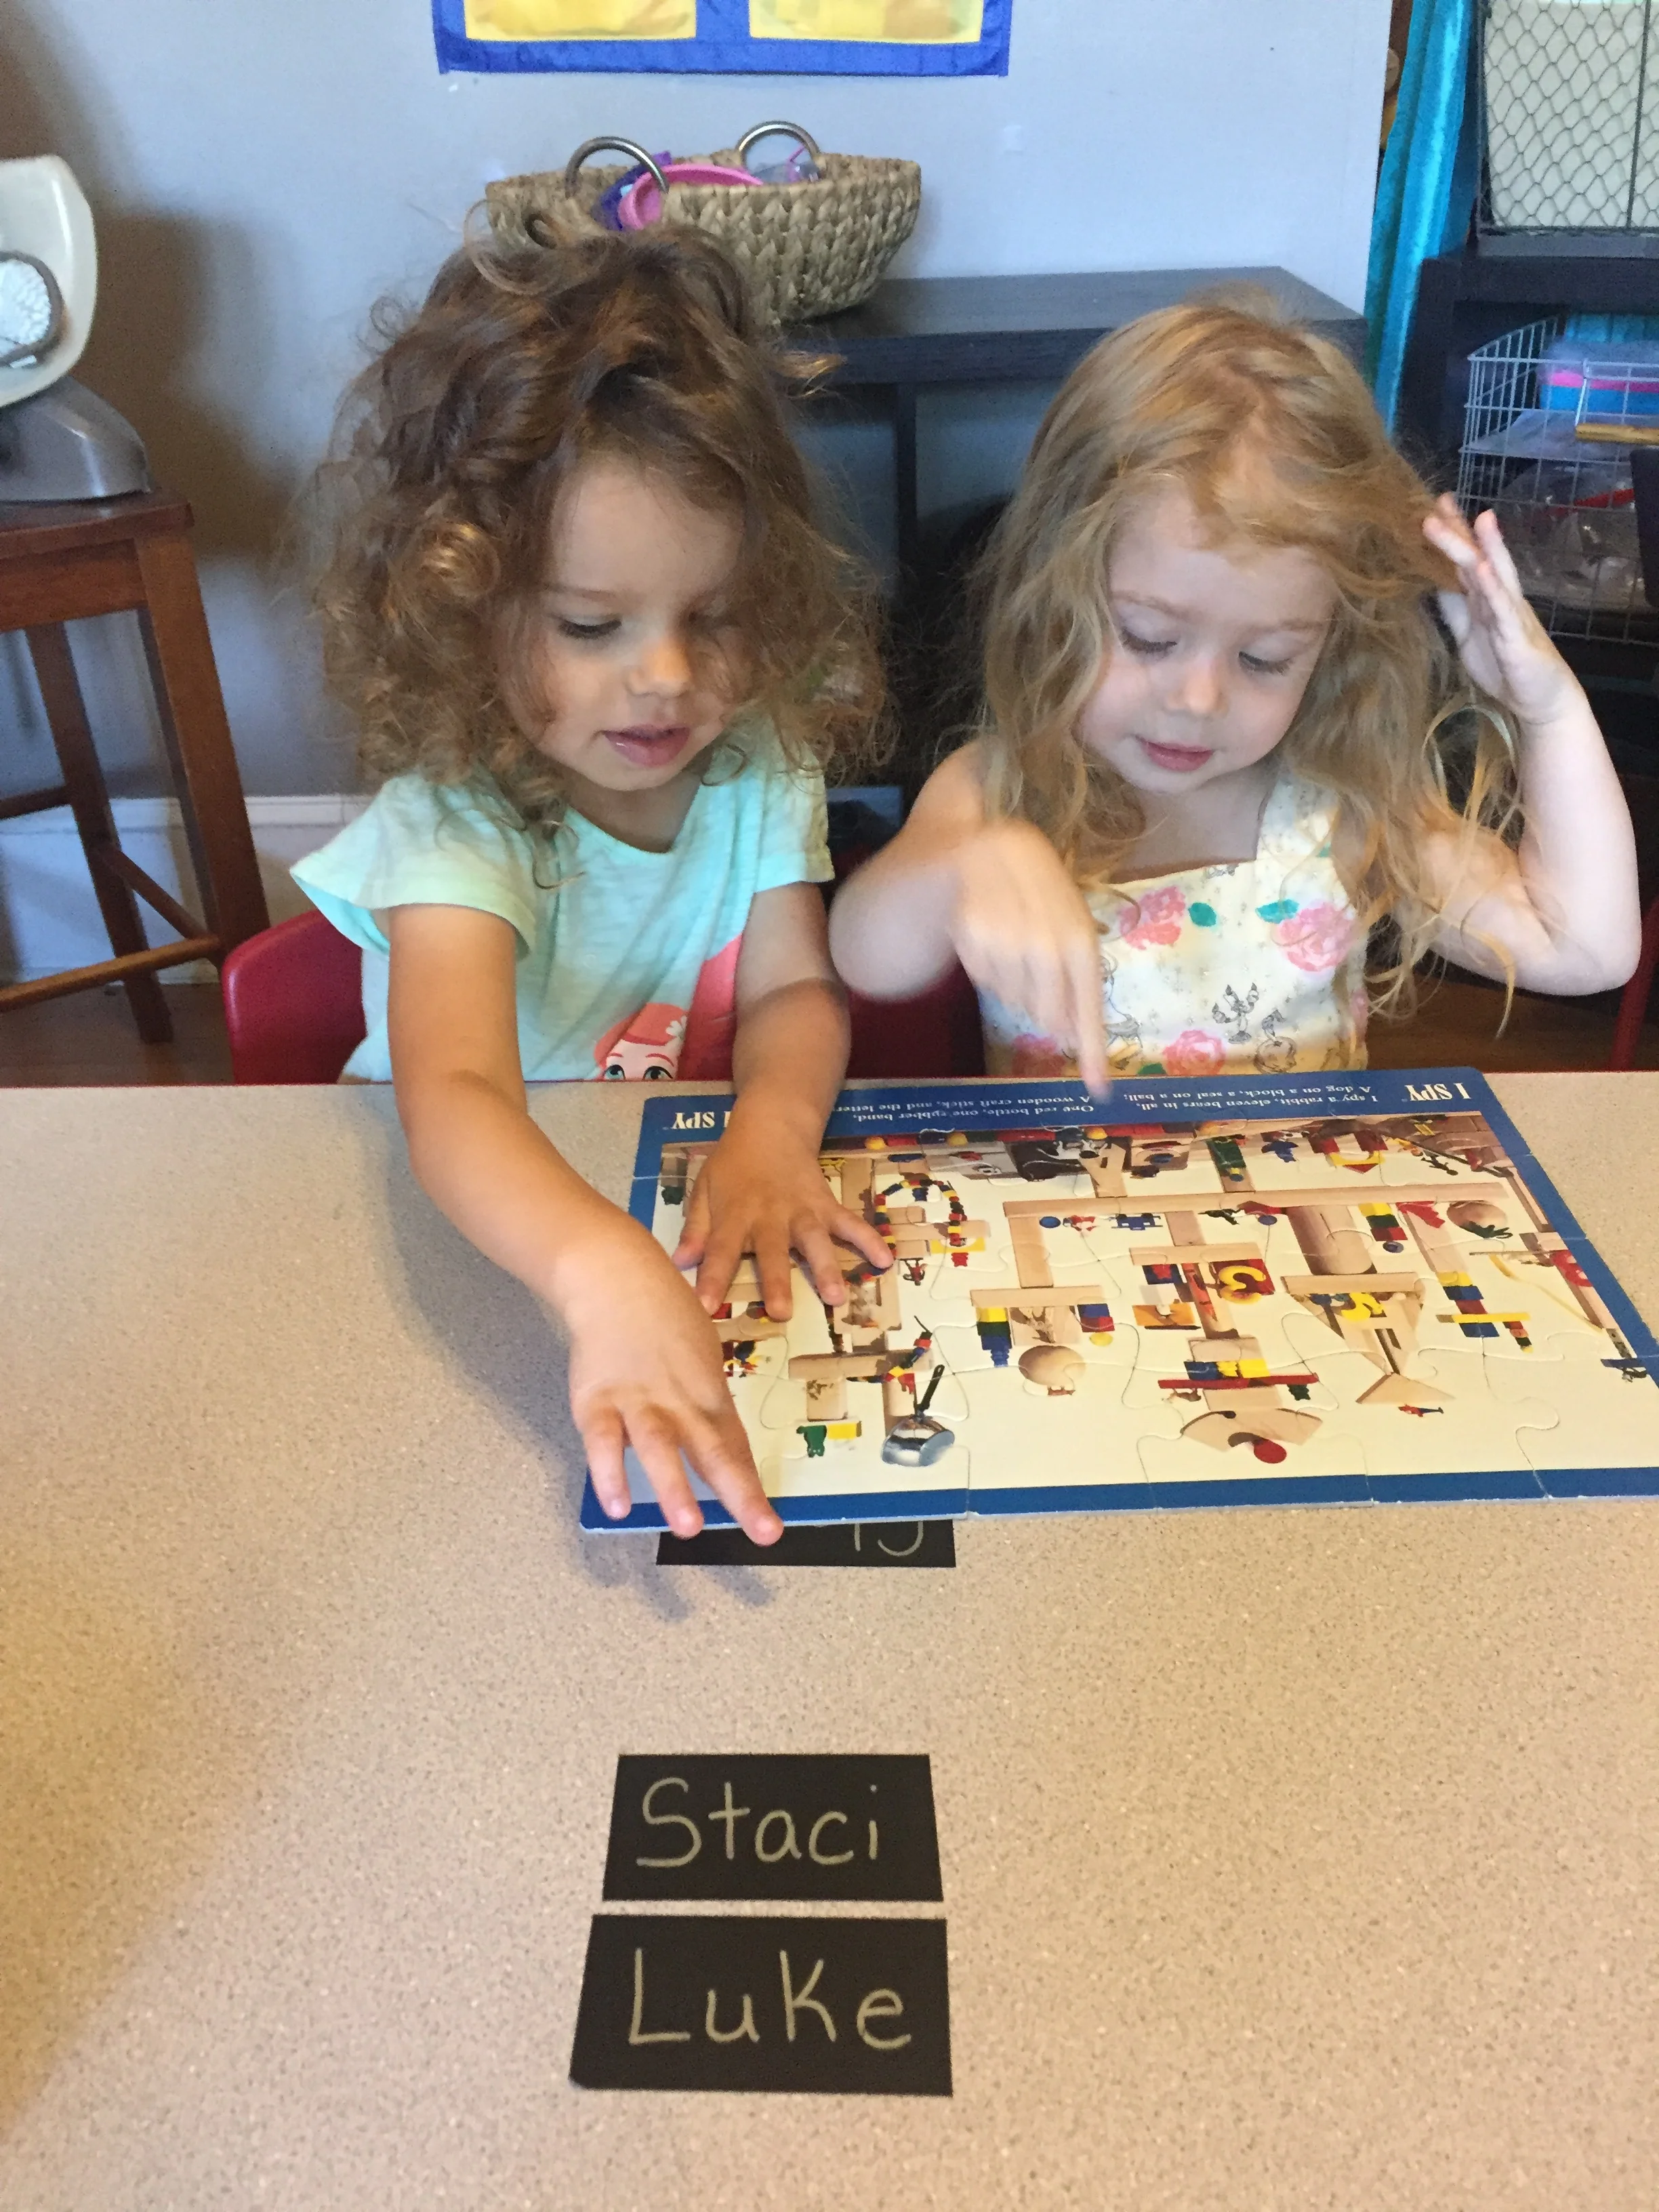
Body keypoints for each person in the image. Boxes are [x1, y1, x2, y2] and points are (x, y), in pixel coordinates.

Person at [293, 226, 890, 1544]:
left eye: (715, 615)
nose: (667, 678)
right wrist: (600, 1268)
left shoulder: (757, 755)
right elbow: (451, 1096)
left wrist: (774, 1130)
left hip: (655, 1199)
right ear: (462, 601)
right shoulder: (460, 809)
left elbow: (796, 987)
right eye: (590, 625)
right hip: (476, 1237)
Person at [830, 298, 1641, 1090]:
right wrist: (964, 866)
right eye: (1149, 638)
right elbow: (867, 956)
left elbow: (1586, 952)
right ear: (1054, 598)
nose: (1198, 698)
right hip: (1071, 1210)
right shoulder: (1000, 789)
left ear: (1332, 641)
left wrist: (1548, 708)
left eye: (1265, 658)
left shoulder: (1340, 799)